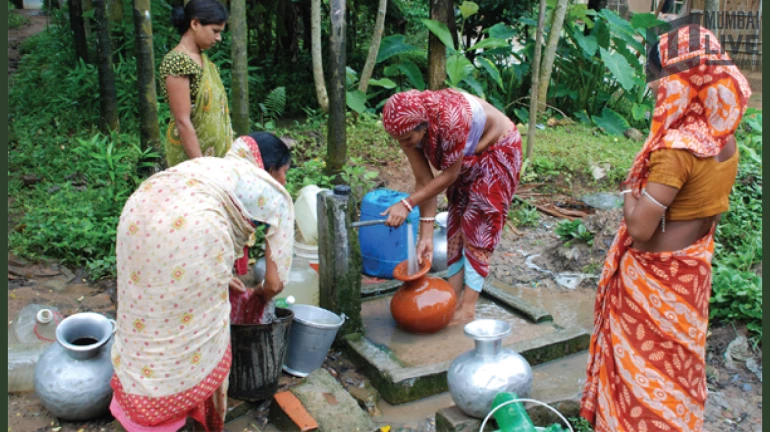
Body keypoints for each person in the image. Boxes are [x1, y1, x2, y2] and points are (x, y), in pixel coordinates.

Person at [579, 25, 752, 432]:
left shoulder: (677, 148)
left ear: (678, 81)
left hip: (653, 285)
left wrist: (627, 188)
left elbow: (640, 229)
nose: (654, 91)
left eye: (656, 81)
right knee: (674, 375)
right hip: (688, 279)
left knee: (640, 379)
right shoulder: (724, 139)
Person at [109, 133, 294, 431]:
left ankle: (139, 400)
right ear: (270, 168)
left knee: (147, 313)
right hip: (194, 227)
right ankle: (181, 411)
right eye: (284, 172)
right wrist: (256, 293)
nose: (283, 182)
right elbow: (273, 285)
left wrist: (220, 276)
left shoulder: (214, 167)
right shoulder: (269, 191)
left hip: (138, 210)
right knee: (198, 332)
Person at [381, 89, 523, 322]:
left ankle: (467, 308)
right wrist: (425, 236)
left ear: (424, 125)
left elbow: (449, 175)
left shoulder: (450, 119)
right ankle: (451, 297)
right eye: (399, 140)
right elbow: (424, 181)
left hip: (497, 148)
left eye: (407, 139)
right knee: (456, 222)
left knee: (479, 226)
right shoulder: (406, 129)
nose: (404, 144)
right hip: (468, 154)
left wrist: (407, 203)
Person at [159, 0, 233, 168]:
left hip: (215, 160)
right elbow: (182, 121)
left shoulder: (204, 61)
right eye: (215, 31)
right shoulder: (177, 62)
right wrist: (200, 167)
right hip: (193, 163)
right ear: (195, 24)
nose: (219, 38)